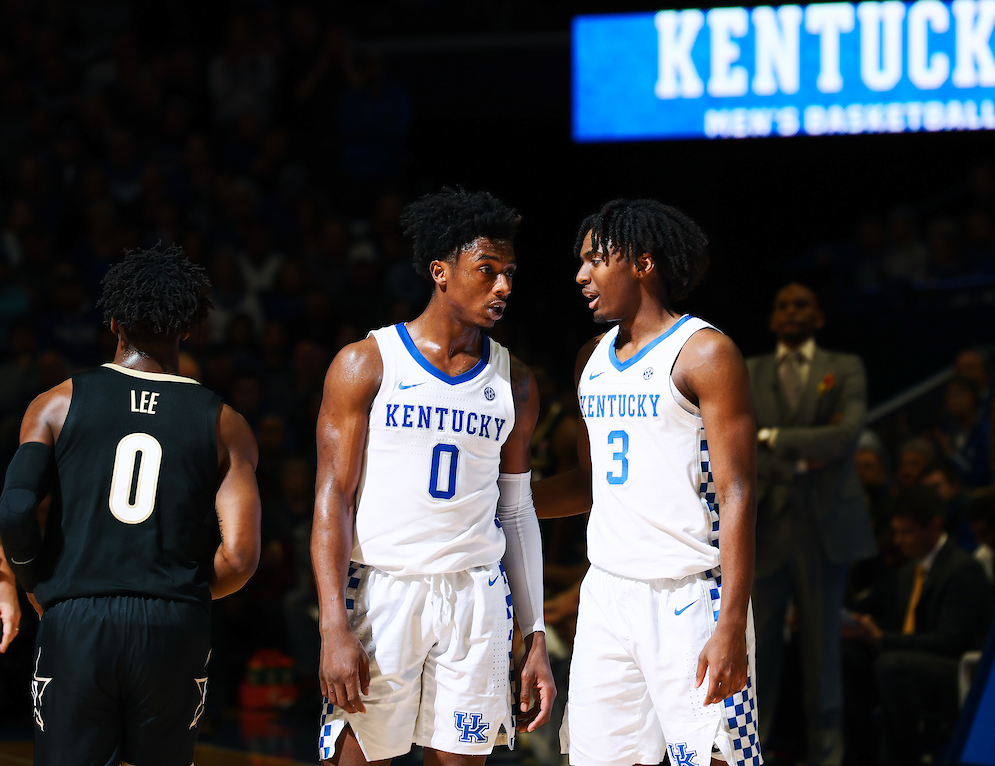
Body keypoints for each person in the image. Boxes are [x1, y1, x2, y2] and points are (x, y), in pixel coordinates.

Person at [311, 190, 554, 765]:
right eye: (487, 272)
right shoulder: (367, 362)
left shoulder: (515, 381)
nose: (504, 288)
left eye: (510, 274)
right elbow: (332, 500)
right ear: (440, 272)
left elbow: (516, 512)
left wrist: (535, 634)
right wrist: (331, 626)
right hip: (383, 591)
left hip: (475, 597)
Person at [0, 243, 262, 765]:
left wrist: (30, 585)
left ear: (114, 321)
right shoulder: (224, 422)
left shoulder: (55, 403)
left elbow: (14, 510)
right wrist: (176, 592)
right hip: (173, 623)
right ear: (187, 328)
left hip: (77, 618)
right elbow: (239, 557)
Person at [534, 199, 759, 766]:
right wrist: (498, 504)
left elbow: (738, 493)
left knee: (714, 758)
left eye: (595, 260)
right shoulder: (591, 359)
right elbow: (592, 485)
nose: (581, 275)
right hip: (608, 592)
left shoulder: (705, 352)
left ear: (643, 263)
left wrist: (731, 619)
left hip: (691, 592)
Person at [745, 282, 875, 765]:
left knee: (822, 655)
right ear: (773, 319)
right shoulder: (749, 370)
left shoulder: (844, 368)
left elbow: (844, 438)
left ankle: (828, 757)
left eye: (803, 304)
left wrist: (773, 436)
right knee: (758, 654)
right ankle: (749, 753)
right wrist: (802, 457)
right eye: (783, 305)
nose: (792, 313)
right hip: (767, 526)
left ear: (818, 317)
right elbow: (739, 445)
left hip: (824, 528)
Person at [841, 488, 992, 766]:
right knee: (848, 653)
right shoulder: (909, 571)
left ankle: (900, 759)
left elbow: (951, 640)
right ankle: (860, 754)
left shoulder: (962, 570)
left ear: (934, 526)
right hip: (909, 659)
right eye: (896, 532)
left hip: (957, 668)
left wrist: (883, 638)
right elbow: (903, 627)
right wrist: (866, 630)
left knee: (892, 665)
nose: (898, 541)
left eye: (907, 532)